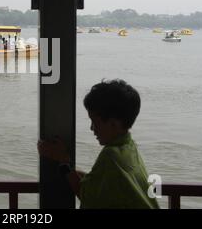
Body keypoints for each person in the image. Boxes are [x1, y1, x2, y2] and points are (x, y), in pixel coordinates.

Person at [38, 79, 160, 209]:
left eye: (95, 122)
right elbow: (98, 182)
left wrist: (63, 162)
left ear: (114, 124)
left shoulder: (111, 156)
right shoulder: (129, 147)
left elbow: (85, 195)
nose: (92, 128)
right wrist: (72, 171)